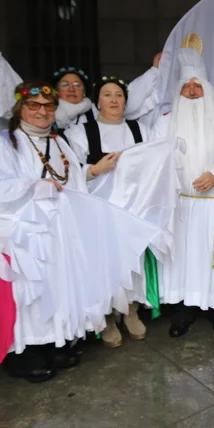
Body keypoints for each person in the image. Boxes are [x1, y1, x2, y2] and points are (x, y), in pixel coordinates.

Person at [0, 81, 149, 382]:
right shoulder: (3, 145)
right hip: (25, 240)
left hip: (59, 235)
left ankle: (55, 343)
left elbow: (72, 179)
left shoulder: (58, 143)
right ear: (21, 109)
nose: (42, 112)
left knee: (58, 287)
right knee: (30, 293)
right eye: (34, 106)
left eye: (48, 106)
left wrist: (93, 171)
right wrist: (31, 187)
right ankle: (25, 354)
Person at [155, 49, 214, 337]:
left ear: (207, 90)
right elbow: (153, 159)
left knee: (213, 258)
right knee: (183, 260)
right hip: (180, 206)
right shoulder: (164, 123)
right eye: (187, 86)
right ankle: (184, 310)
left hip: (213, 205)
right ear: (178, 91)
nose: (192, 91)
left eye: (198, 86)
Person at [64, 77, 154, 347]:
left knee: (133, 259)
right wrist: (93, 170)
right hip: (97, 211)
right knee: (104, 262)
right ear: (97, 101)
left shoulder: (140, 130)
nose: (114, 100)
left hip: (134, 208)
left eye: (119, 95)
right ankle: (107, 317)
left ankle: (131, 310)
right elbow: (67, 173)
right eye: (107, 95)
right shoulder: (80, 133)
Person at [0, 34, 161, 130]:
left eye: (77, 85)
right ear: (55, 91)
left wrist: (155, 71)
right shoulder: (42, 112)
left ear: (84, 91)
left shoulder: (96, 112)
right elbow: (11, 91)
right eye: (65, 85)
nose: (72, 89)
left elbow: (130, 99)